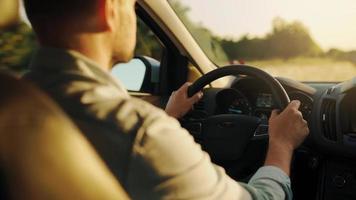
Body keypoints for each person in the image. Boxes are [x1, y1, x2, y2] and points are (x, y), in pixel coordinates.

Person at [23, 0, 309, 199]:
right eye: (131, 6)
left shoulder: (16, 103)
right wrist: (281, 146)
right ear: (107, 9)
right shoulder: (141, 135)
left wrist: (167, 117)